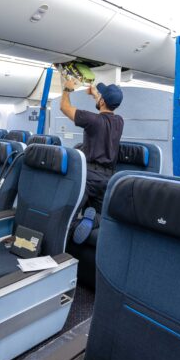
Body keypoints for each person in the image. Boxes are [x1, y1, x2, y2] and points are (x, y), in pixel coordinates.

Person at [59, 78, 124, 243]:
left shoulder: (92, 121)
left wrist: (67, 89)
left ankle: (72, 238)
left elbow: (64, 107)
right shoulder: (119, 122)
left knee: (68, 217)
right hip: (108, 179)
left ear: (103, 101)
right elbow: (104, 107)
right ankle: (94, 219)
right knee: (103, 216)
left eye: (100, 96)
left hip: (88, 177)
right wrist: (96, 94)